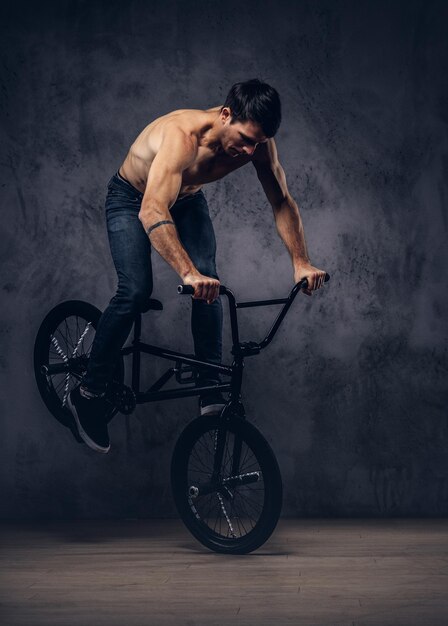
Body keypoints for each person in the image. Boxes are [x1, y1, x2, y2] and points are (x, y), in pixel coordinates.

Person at [67, 78, 328, 454]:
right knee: (135, 291)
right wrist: (187, 274)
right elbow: (152, 209)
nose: (249, 150)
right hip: (132, 197)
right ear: (225, 115)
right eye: (245, 138)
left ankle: (209, 391)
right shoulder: (181, 137)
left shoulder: (259, 145)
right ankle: (89, 392)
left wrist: (301, 261)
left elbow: (282, 201)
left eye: (257, 142)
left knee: (212, 280)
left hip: (187, 200)